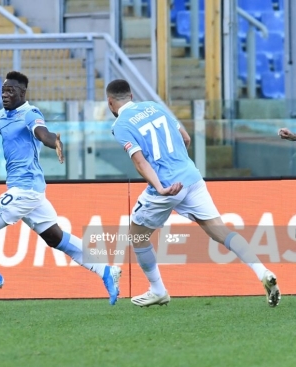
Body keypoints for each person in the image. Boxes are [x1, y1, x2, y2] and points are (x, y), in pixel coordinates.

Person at [0, 71, 121, 305]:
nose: (5, 95)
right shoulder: (3, 115)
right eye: (3, 91)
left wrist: (54, 142)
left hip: (24, 190)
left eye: (10, 91)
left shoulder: (30, 114)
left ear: (22, 92)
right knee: (56, 238)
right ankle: (106, 271)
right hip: (32, 192)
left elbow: (42, 133)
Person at [106, 79, 280, 307]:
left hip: (166, 186)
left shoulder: (121, 125)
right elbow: (185, 138)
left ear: (110, 103)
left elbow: (139, 162)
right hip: (191, 176)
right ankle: (262, 272)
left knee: (137, 236)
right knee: (221, 232)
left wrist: (160, 188)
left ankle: (158, 290)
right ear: (131, 95)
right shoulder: (154, 106)